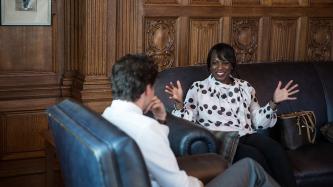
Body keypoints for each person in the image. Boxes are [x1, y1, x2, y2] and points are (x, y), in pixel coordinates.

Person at [102, 53, 280, 187]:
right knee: (251, 167)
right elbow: (181, 185)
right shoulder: (146, 129)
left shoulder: (106, 116)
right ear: (148, 89)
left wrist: (162, 120)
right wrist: (200, 182)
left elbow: (155, 148)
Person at [165, 43, 298, 187]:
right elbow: (186, 123)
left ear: (232, 65)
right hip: (222, 138)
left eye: (225, 63)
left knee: (276, 149)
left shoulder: (245, 87)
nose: (219, 68)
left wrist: (274, 102)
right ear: (209, 66)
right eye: (214, 63)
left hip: (246, 134)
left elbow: (259, 122)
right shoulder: (198, 88)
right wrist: (179, 103)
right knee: (255, 156)